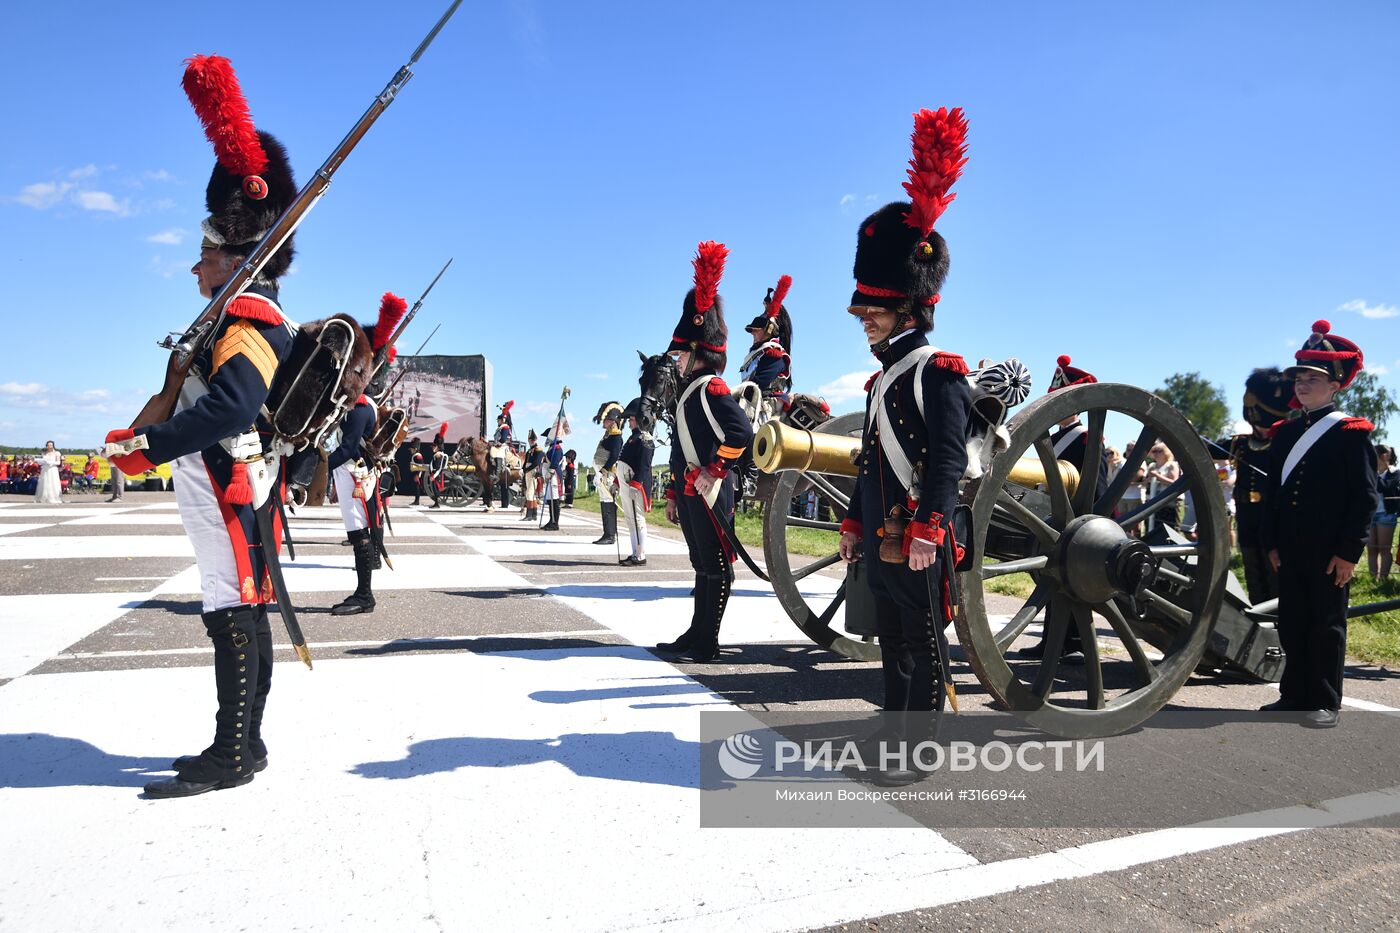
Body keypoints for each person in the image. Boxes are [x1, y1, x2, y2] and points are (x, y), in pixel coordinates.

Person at [103, 56, 298, 798]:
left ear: (234, 253)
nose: (195, 268)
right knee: (240, 607)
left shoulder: (246, 313)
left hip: (226, 482)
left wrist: (148, 447)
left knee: (231, 608)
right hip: (231, 482)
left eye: (205, 254)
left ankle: (235, 751)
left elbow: (233, 407)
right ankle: (245, 741)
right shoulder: (239, 310)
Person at [836, 108, 972, 787]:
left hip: (920, 534)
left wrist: (929, 526)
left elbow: (948, 458)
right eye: (865, 314)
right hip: (887, 535)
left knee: (920, 644)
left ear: (912, 308)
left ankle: (918, 754)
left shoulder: (938, 369)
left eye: (876, 312)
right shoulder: (884, 375)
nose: (866, 323)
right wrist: (858, 520)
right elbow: (870, 458)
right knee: (892, 642)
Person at [1260, 320, 1377, 728]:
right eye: (1299, 378)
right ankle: (1294, 694)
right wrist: (1272, 543)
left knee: (1326, 625)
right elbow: (1275, 496)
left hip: (1330, 550)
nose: (1302, 385)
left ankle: (1325, 701)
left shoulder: (1350, 433)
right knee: (1292, 622)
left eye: (1313, 378)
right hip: (1291, 547)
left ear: (1335, 385)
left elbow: (1364, 498)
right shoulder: (1286, 432)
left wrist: (1349, 552)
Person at [654, 240, 754, 662]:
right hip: (692, 490)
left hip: (713, 489)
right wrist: (676, 490)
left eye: (680, 352)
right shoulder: (687, 393)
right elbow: (680, 449)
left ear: (697, 351)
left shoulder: (711, 388)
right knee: (701, 564)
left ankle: (707, 641)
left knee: (715, 565)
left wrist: (715, 470)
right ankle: (696, 635)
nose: (675, 359)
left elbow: (742, 433)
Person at [326, 292, 407, 615]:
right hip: (353, 474)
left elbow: (346, 448)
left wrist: (319, 468)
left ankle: (364, 595)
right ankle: (363, 593)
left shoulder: (360, 408)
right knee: (359, 530)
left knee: (358, 532)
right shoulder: (360, 405)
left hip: (353, 472)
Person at [738, 274, 794, 420]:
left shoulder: (773, 354)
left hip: (767, 409)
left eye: (756, 330)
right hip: (751, 404)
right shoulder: (757, 354)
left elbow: (757, 385)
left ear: (769, 330)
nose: (753, 333)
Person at [616, 398, 655, 566]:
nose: (629, 422)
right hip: (627, 483)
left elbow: (644, 466)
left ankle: (640, 555)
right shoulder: (633, 438)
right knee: (630, 519)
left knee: (637, 519)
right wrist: (617, 483)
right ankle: (634, 552)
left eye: (632, 419)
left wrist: (636, 484)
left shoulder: (645, 439)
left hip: (635, 485)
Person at [591, 402, 624, 545]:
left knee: (609, 502)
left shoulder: (616, 437)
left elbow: (614, 456)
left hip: (608, 474)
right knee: (604, 503)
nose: (603, 422)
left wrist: (602, 471)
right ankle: (607, 533)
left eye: (606, 419)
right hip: (602, 474)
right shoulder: (608, 435)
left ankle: (610, 534)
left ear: (613, 421)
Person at [1369, 444, 1397, 580]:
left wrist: (1372, 473)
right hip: (1370, 515)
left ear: (1384, 456)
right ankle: (1373, 579)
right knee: (1372, 550)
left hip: (1386, 514)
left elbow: (1383, 487)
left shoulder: (1394, 473)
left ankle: (1383, 579)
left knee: (1384, 549)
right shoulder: (1371, 472)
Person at [540, 428, 566, 530]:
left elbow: (555, 463)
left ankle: (555, 523)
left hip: (554, 476)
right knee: (550, 500)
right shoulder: (552, 448)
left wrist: (550, 472)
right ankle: (551, 520)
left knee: (554, 501)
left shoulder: (558, 448)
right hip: (550, 477)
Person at [520, 429, 542, 523]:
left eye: (532, 439)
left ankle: (529, 514)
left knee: (530, 493)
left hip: (533, 473)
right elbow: (526, 461)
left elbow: (536, 462)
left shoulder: (538, 450)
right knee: (531, 495)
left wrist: (527, 469)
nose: (531, 441)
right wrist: (523, 469)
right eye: (530, 439)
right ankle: (533, 514)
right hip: (528, 472)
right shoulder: (530, 450)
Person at [427, 429, 448, 510]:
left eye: (434, 446)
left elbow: (438, 468)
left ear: (438, 447)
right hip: (434, 474)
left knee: (436, 490)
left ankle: (437, 504)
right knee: (434, 489)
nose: (432, 448)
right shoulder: (437, 454)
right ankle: (436, 503)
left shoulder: (438, 455)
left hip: (436, 475)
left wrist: (433, 475)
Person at [408, 438, 425, 506]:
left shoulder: (418, 456)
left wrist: (418, 475)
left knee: (417, 487)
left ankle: (417, 501)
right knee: (416, 487)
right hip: (415, 473)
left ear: (415, 449)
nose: (411, 450)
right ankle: (416, 500)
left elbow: (420, 466)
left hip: (417, 473)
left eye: (412, 449)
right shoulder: (415, 455)